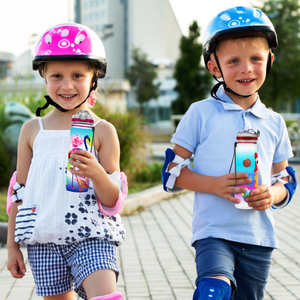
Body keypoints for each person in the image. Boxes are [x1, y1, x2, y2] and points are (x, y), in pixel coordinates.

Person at [161, 6, 297, 300]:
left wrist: (272, 195)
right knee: (214, 290)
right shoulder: (200, 113)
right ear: (215, 67)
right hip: (214, 233)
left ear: (269, 61)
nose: (246, 68)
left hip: (259, 237)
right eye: (233, 61)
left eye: (256, 59)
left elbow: (285, 179)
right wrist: (215, 184)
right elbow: (171, 173)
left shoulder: (274, 122)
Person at [6, 23, 127, 300]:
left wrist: (96, 172)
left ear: (93, 79)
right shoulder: (31, 130)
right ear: (44, 77)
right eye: (57, 76)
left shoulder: (103, 130)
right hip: (43, 240)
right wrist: (13, 246)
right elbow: (19, 191)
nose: (67, 85)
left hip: (92, 236)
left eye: (77, 75)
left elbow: (113, 200)